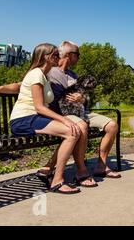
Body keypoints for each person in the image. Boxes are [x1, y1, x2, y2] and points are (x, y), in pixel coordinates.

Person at [8, 43, 84, 194]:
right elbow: (39, 107)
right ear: (45, 57)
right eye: (55, 55)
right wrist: (64, 120)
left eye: (58, 54)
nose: (58, 57)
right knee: (72, 132)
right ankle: (57, 181)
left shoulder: (44, 76)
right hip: (24, 119)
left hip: (34, 118)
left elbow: (22, 87)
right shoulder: (36, 74)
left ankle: (49, 170)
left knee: (72, 131)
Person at [47, 41, 120, 179]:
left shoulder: (74, 75)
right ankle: (81, 170)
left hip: (81, 112)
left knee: (112, 125)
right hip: (62, 115)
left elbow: (86, 99)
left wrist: (82, 98)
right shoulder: (50, 73)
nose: (79, 58)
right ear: (69, 55)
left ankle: (101, 165)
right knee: (82, 126)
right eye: (78, 55)